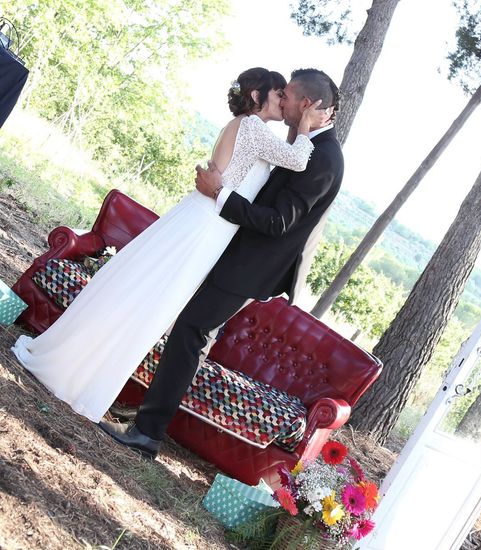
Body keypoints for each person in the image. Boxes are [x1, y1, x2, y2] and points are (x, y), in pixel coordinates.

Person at [12, 67, 332, 423]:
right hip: (204, 229)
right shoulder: (253, 127)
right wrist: (304, 124)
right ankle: (81, 375)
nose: (282, 101)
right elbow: (300, 159)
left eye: (286, 97)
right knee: (148, 304)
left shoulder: (250, 129)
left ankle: (88, 373)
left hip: (207, 226)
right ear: (258, 97)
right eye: (278, 95)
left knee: (147, 301)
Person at [97, 68, 344, 458]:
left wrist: (220, 194)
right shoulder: (302, 143)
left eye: (288, 94)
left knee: (191, 333)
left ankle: (148, 432)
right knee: (187, 330)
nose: (282, 98)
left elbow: (279, 221)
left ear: (308, 104)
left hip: (250, 265)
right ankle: (146, 412)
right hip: (230, 249)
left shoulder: (325, 157)